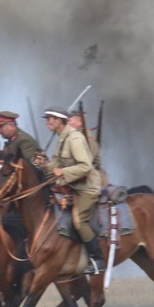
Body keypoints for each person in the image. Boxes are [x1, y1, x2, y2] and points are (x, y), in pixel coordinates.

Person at [35, 106, 105, 274]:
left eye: (49, 119)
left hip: (86, 188)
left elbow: (86, 167)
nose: (47, 123)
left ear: (59, 120)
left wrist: (63, 172)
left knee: (78, 220)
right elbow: (57, 165)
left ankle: (97, 259)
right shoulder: (62, 138)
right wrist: (45, 166)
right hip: (72, 185)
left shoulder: (74, 139)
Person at [67, 109, 107, 186]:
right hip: (77, 176)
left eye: (69, 121)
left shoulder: (87, 137)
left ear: (80, 120)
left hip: (90, 179)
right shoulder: (72, 137)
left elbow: (86, 164)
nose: (66, 124)